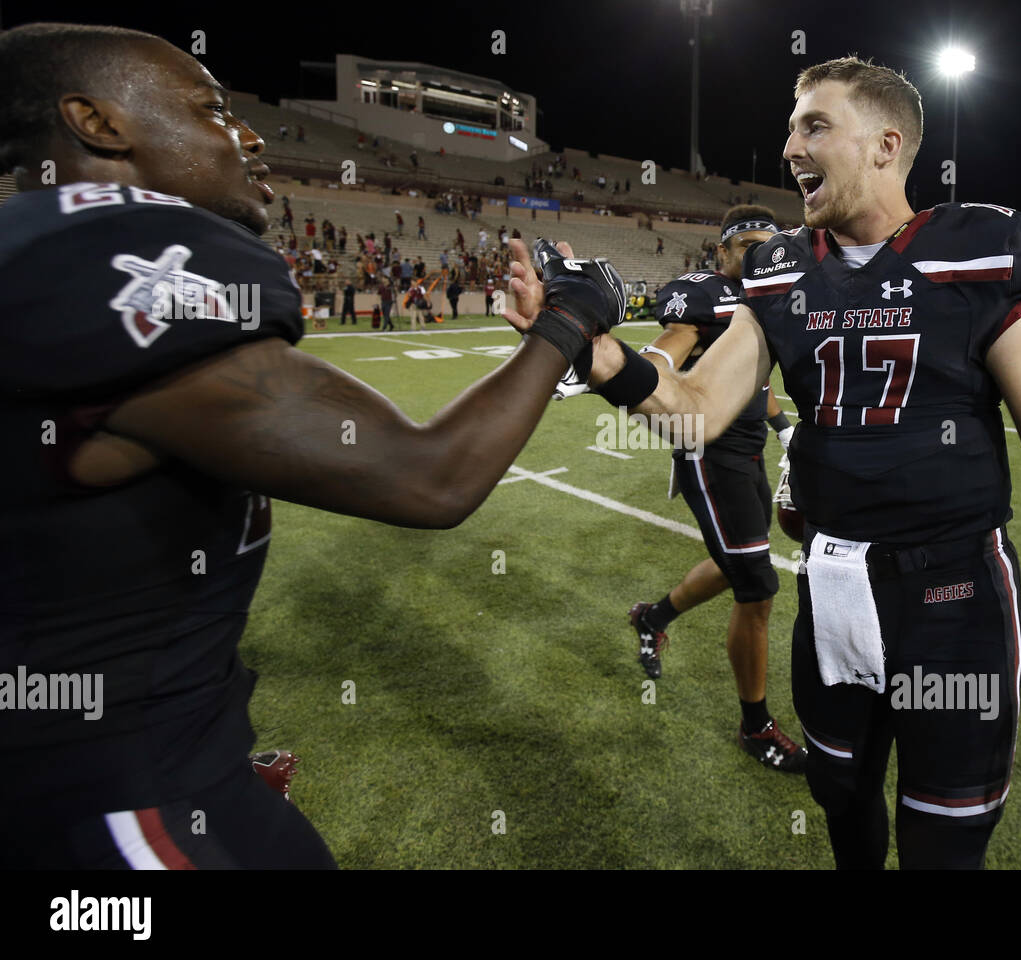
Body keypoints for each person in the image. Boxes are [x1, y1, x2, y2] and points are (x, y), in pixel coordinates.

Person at [0, 22, 626, 870]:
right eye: (212, 111)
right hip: (114, 803)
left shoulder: (44, 258)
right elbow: (430, 478)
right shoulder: (110, 259)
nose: (247, 134)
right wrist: (569, 318)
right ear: (99, 123)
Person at [509, 55, 1021, 870]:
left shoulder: (978, 250)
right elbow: (697, 410)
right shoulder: (779, 271)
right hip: (836, 587)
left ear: (887, 145)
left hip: (953, 599)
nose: (790, 147)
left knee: (942, 840)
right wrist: (591, 350)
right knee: (845, 807)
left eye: (815, 125)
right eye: (791, 128)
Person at [627, 205, 806, 772]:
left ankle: (652, 618)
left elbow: (754, 379)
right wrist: (642, 368)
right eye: (746, 245)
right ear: (721, 252)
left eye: (766, 244)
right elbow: (673, 340)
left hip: (748, 443)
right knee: (756, 585)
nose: (757, 255)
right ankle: (755, 727)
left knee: (738, 562)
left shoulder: (768, 295)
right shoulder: (705, 293)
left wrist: (786, 429)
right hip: (710, 448)